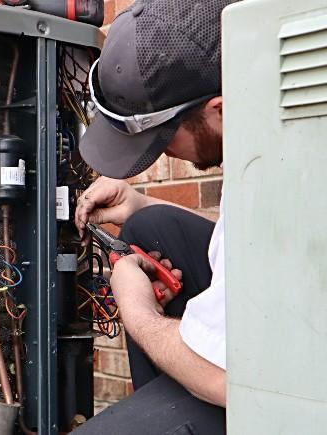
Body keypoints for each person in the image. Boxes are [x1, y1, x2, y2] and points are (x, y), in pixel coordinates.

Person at [72, 0, 237, 433]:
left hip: (306, 392)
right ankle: (173, 408)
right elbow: (241, 239)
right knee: (151, 227)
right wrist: (140, 204)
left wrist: (138, 312)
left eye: (161, 138)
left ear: (220, 109)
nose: (160, 152)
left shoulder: (284, 178)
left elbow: (231, 382)